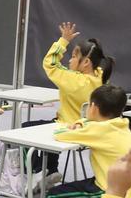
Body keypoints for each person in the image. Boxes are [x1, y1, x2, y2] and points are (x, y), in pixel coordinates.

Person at [26, 22, 115, 187]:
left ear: (86, 62)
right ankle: (51, 170)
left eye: (74, 56)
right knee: (50, 123)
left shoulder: (73, 80)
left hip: (67, 128)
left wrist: (63, 41)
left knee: (25, 128)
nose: (69, 60)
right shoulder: (100, 76)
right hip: (87, 129)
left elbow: (51, 64)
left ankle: (36, 170)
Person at [46, 84, 131, 198]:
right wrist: (81, 123)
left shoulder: (98, 129)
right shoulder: (122, 124)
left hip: (110, 192)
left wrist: (79, 123)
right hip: (130, 190)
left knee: (52, 196)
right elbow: (90, 125)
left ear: (93, 108)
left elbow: (59, 134)